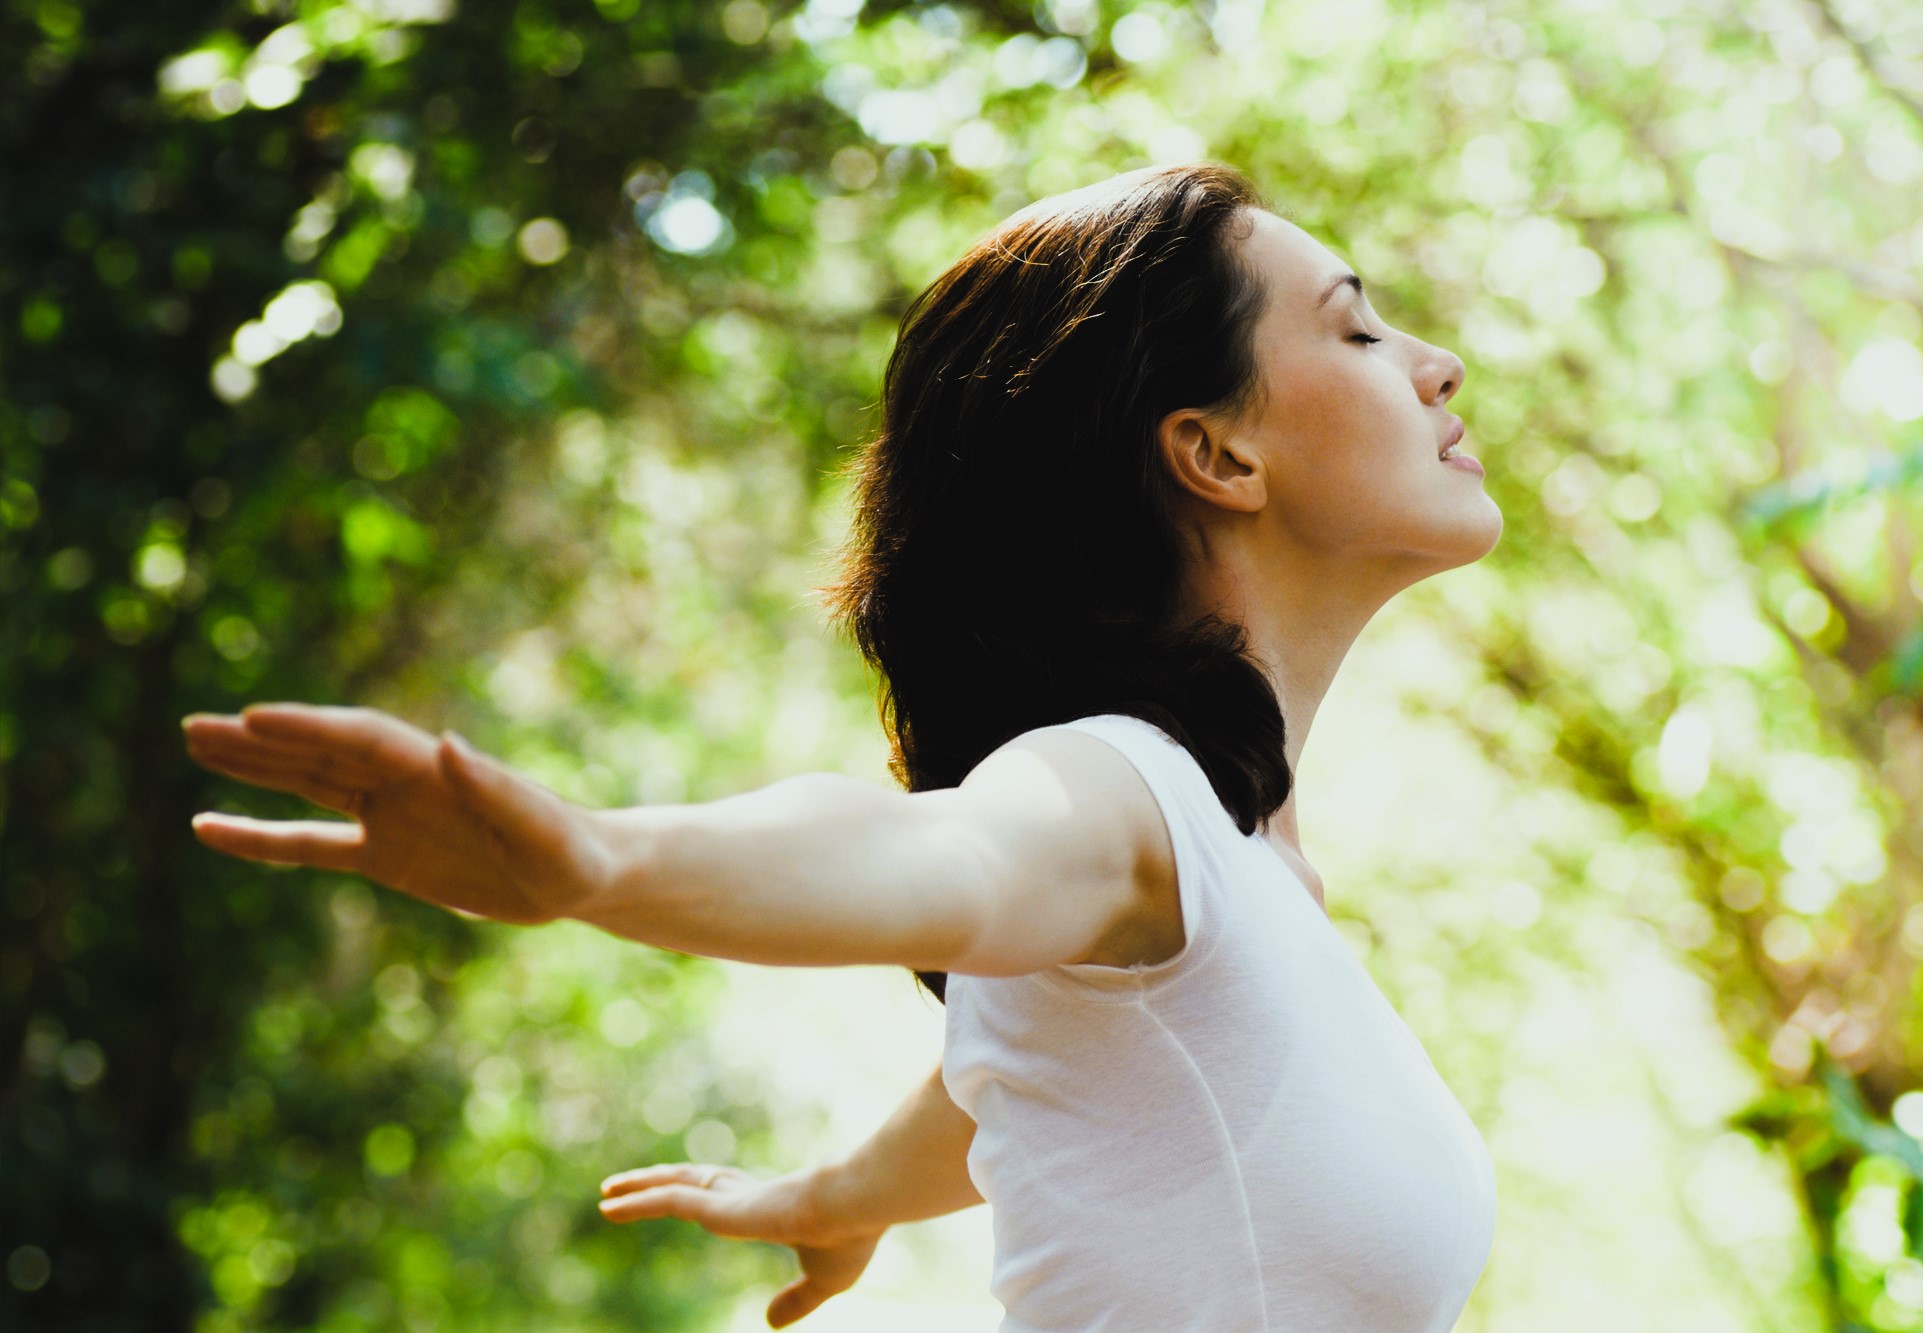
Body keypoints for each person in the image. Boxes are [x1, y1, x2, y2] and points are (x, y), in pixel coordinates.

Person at [183, 161, 1502, 1331]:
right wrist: (599, 863)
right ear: (1215, 454)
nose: (1434, 362)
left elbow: (1033, 1072)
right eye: (1359, 326)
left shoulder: (1235, 867)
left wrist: (843, 1190)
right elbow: (938, 853)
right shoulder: (1123, 792)